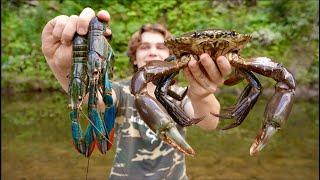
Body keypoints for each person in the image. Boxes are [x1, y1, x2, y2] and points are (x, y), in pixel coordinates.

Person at [41, 7, 231, 179]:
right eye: (144, 47)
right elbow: (94, 98)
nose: (153, 52)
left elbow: (208, 122)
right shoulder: (121, 91)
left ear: (172, 56)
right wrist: (66, 70)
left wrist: (201, 94)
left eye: (161, 47)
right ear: (134, 57)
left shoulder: (180, 93)